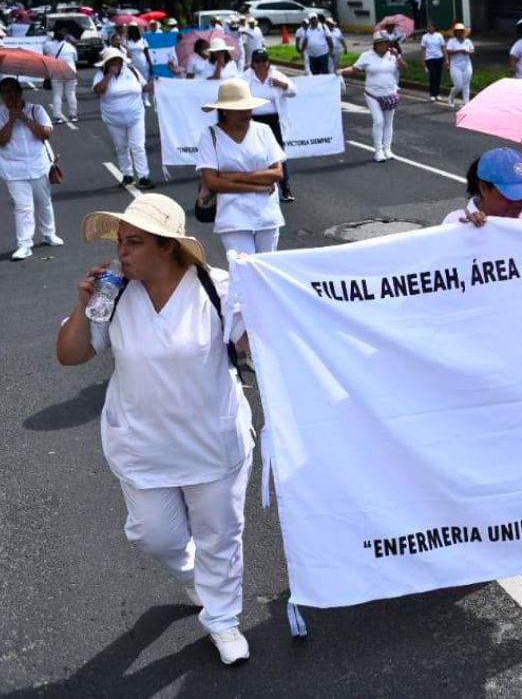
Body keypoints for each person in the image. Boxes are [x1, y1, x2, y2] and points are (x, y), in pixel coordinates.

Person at [56, 194, 255, 665]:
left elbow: (253, 345)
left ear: (168, 247)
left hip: (211, 439)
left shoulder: (217, 288)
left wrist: (263, 309)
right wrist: (83, 305)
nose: (123, 251)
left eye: (135, 242)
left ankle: (222, 618)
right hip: (143, 444)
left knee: (220, 534)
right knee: (155, 536)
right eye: (121, 241)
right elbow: (71, 354)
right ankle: (193, 573)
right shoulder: (113, 291)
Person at [196, 80, 285, 256]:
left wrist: (232, 176)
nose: (246, 113)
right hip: (232, 217)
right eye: (239, 108)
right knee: (244, 270)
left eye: (248, 108)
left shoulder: (263, 130)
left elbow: (277, 173)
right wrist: (257, 186)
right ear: (225, 110)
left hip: (267, 214)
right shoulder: (210, 135)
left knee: (267, 270)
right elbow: (212, 182)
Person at [0, 77, 62, 260]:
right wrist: (11, 121)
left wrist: (25, 118)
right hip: (13, 168)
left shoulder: (36, 109)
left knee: (44, 202)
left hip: (38, 165)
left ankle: (49, 234)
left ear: (20, 92)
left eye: (11, 91)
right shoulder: (1, 114)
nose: (8, 96)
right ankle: (24, 244)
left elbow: (45, 134)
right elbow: (1, 141)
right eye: (4, 93)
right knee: (23, 207)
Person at [92, 47, 154, 189]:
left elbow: (144, 87)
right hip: (113, 118)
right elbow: (98, 91)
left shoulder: (132, 72)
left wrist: (155, 83)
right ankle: (127, 175)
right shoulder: (100, 75)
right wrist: (109, 75)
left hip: (136, 115)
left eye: (118, 61)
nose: (116, 64)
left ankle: (144, 176)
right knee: (121, 147)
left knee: (138, 146)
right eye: (112, 61)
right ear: (106, 63)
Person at [342, 32, 407, 162]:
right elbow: (355, 69)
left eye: (386, 43)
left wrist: (398, 56)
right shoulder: (366, 56)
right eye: (381, 43)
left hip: (390, 94)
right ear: (375, 45)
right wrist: (341, 72)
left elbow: (405, 68)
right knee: (379, 121)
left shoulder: (393, 56)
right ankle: (378, 151)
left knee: (389, 122)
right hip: (372, 94)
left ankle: (387, 149)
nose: (384, 46)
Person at [243, 49, 297, 203]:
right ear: (252, 64)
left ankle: (285, 188)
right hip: (253, 120)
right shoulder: (246, 78)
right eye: (257, 61)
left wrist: (283, 85)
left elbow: (294, 92)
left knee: (278, 153)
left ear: (268, 62)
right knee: (254, 153)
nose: (261, 64)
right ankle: (258, 186)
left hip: (274, 120)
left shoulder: (276, 76)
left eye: (263, 61)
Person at [43, 24, 79, 123]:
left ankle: (57, 116)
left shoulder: (47, 45)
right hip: (70, 71)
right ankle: (73, 115)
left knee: (57, 95)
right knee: (71, 93)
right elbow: (75, 59)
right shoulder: (70, 47)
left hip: (56, 71)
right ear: (65, 37)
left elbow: (45, 55)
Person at [445, 23, 475, 108]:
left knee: (466, 85)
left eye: (461, 31)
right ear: (455, 32)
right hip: (455, 65)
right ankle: (451, 97)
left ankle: (466, 103)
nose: (459, 33)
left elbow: (472, 51)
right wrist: (459, 51)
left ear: (463, 32)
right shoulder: (451, 41)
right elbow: (448, 51)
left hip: (467, 64)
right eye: (457, 31)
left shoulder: (468, 41)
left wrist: (468, 52)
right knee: (458, 85)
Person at [420, 21, 447, 101]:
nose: (429, 28)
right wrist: (423, 61)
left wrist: (446, 59)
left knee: (438, 76)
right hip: (429, 58)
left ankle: (437, 94)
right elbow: (423, 50)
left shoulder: (439, 35)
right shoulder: (425, 37)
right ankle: (432, 94)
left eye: (431, 27)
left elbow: (443, 48)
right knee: (433, 76)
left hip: (439, 57)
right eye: (428, 27)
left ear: (434, 27)